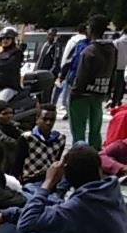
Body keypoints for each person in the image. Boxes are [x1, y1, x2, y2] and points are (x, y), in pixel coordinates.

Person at [69, 15, 115, 150]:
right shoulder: (112, 49)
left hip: (82, 95)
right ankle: (96, 155)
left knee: (78, 130)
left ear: (91, 29)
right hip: (100, 92)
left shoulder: (89, 51)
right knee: (95, 130)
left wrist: (73, 92)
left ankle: (79, 154)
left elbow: (81, 77)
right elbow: (113, 72)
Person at [21, 105, 66, 185]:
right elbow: (18, 165)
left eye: (52, 120)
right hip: (31, 181)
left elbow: (56, 161)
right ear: (37, 119)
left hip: (51, 180)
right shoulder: (27, 138)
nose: (48, 123)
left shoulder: (60, 138)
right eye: (45, 119)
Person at [0, 103, 26, 178]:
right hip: (3, 163)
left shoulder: (14, 126)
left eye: (11, 113)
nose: (9, 116)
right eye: (4, 114)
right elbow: (6, 141)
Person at [58, 26, 88, 118]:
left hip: (72, 71)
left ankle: (68, 110)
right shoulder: (88, 43)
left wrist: (62, 71)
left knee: (69, 92)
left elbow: (67, 58)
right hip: (84, 73)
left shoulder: (73, 41)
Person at [0, 27, 24, 95]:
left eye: (8, 38)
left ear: (13, 40)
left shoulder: (17, 52)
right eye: (3, 38)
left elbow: (9, 64)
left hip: (10, 88)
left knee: (2, 99)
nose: (5, 40)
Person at [35, 28, 61, 102]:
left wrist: (50, 74)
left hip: (47, 76)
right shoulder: (44, 44)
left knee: (45, 97)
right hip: (38, 73)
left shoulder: (56, 46)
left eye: (53, 35)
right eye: (49, 34)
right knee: (38, 96)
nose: (50, 36)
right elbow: (40, 59)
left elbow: (56, 62)